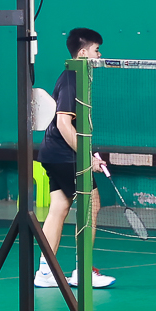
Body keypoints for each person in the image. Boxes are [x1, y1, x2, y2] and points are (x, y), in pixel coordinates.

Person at [36, 27, 115, 289]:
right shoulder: (72, 77)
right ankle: (83, 270)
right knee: (92, 204)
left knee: (59, 206)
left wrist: (89, 153)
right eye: (96, 50)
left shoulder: (76, 75)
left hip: (53, 152)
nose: (99, 55)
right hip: (63, 154)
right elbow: (63, 124)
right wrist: (86, 158)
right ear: (82, 53)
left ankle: (45, 271)